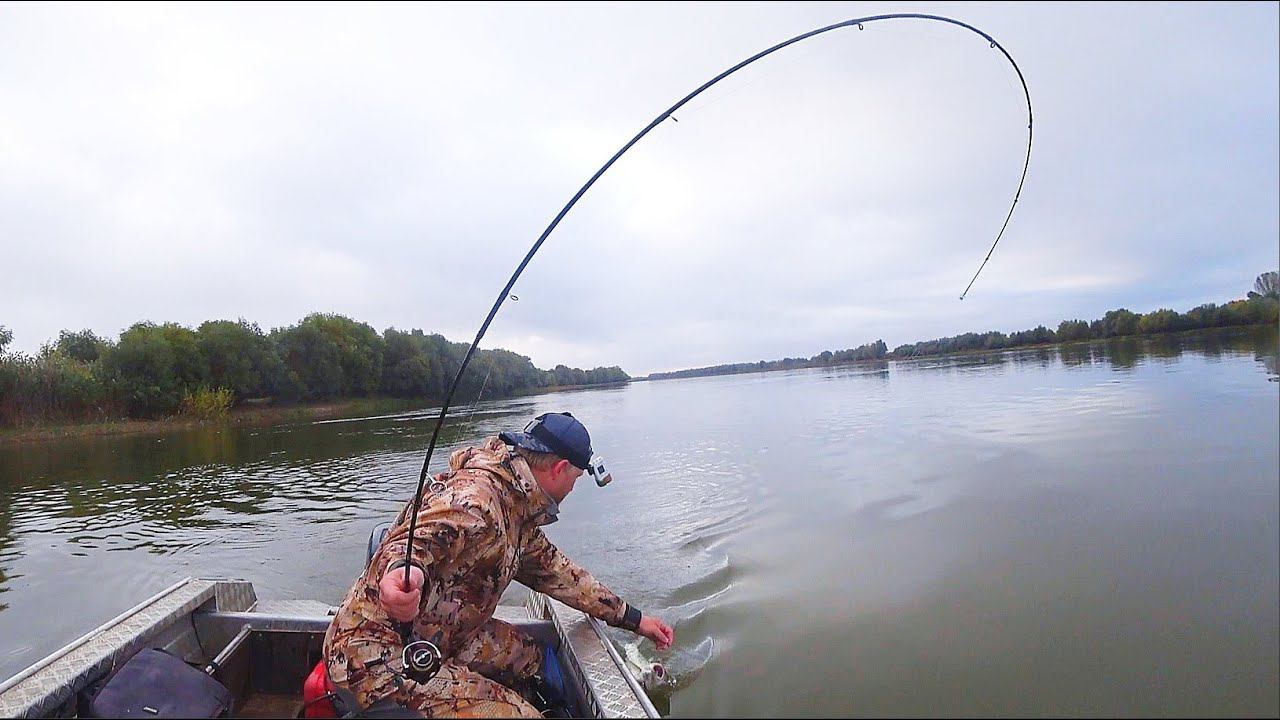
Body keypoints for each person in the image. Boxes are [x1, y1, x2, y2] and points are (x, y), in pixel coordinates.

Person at [323, 412, 675, 718]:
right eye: (576, 479)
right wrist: (402, 571)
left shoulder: (518, 509)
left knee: (534, 657)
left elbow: (562, 575)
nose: (573, 487)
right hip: (374, 659)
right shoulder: (479, 499)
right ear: (560, 468)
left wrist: (635, 619)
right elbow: (413, 543)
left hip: (438, 631)